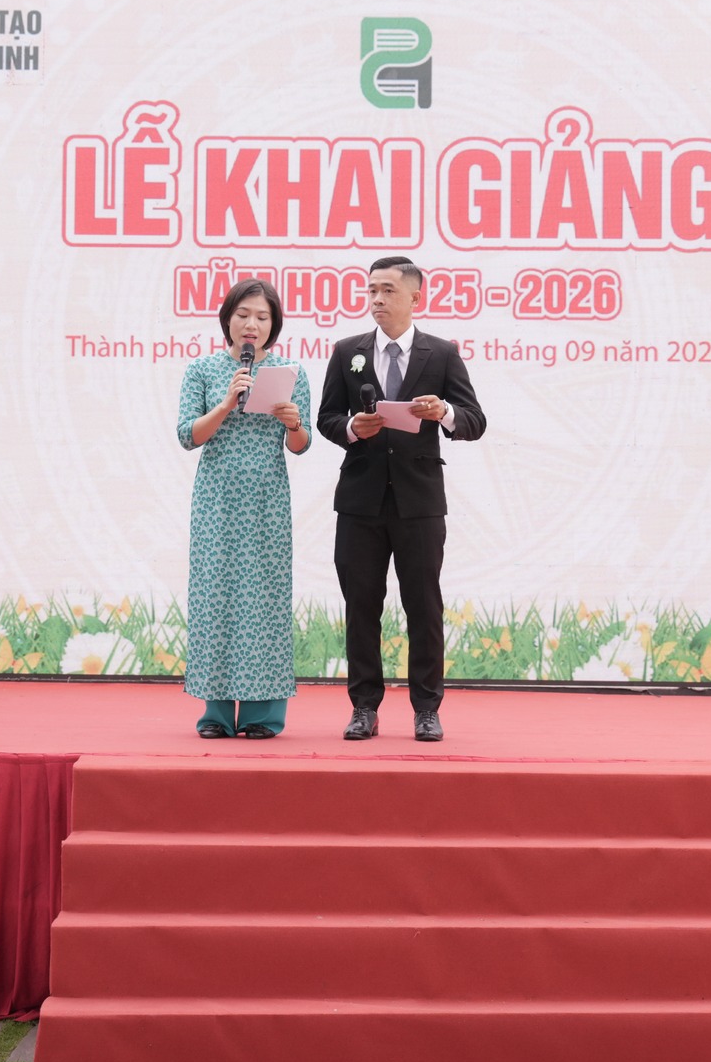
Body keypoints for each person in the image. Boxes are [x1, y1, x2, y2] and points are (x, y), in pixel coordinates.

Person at [316, 256, 486, 742]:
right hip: (360, 502)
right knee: (361, 606)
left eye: (388, 291)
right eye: (371, 290)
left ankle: (426, 709)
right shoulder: (347, 351)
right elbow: (327, 418)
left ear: (415, 297)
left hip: (419, 503)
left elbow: (474, 421)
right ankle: (364, 708)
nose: (377, 299)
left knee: (423, 607)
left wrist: (444, 412)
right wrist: (353, 427)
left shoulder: (442, 353)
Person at [176, 279, 311, 739]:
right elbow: (188, 435)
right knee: (216, 597)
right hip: (216, 501)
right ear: (228, 319)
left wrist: (293, 422)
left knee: (264, 602)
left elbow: (301, 445)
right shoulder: (203, 370)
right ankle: (215, 715)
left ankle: (261, 716)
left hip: (266, 501)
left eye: (262, 317)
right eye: (243, 315)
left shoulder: (291, 373)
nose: (252, 324)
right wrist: (225, 403)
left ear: (274, 325)